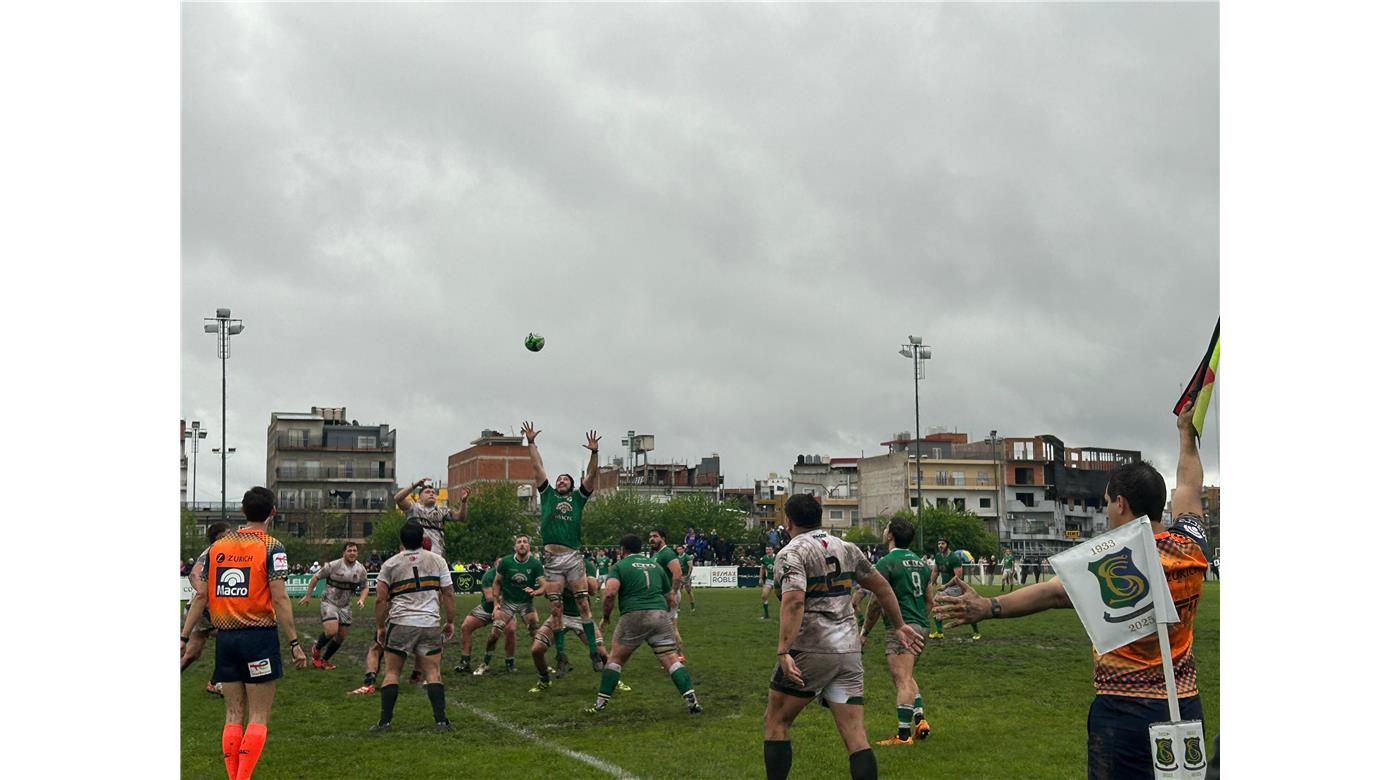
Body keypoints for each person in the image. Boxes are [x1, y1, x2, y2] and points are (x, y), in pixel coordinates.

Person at [935, 401, 1211, 780]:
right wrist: (1185, 435)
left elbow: (1052, 594)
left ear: (1121, 503)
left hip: (1123, 711)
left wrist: (988, 607)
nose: (1106, 512)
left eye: (1107, 503)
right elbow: (1191, 487)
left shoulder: (1110, 560)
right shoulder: (1190, 548)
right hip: (1185, 705)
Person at [762, 494, 924, 780]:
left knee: (776, 721)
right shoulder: (846, 547)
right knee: (856, 738)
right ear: (820, 518)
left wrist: (783, 650)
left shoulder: (791, 552)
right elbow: (881, 586)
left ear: (788, 521)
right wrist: (899, 625)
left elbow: (795, 601)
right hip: (848, 651)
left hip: (811, 648)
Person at [180, 487, 306, 780]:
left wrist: (184, 636)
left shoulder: (217, 548)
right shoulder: (272, 547)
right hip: (259, 637)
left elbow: (201, 596)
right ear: (273, 511)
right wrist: (295, 643)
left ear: (242, 509)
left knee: (233, 715)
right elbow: (280, 598)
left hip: (225, 639)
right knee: (258, 716)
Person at [587, 533, 702, 715]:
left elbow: (609, 593)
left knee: (615, 659)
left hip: (634, 615)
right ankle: (692, 700)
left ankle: (600, 704)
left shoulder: (620, 566)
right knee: (671, 659)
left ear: (622, 550)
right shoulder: (655, 565)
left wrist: (606, 616)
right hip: (659, 615)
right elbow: (670, 597)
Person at [522, 420, 604, 673]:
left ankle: (593, 652)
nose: (560, 481)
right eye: (558, 479)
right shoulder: (547, 494)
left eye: (564, 480)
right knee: (556, 607)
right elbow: (538, 466)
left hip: (571, 556)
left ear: (571, 484)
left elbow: (592, 476)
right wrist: (532, 442)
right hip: (551, 557)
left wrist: (594, 453)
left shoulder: (578, 499)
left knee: (582, 603)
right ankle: (560, 657)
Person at [370, 521, 455, 733]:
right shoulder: (437, 561)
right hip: (429, 623)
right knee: (433, 672)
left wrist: (380, 626)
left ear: (402, 541)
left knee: (392, 673)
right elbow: (448, 593)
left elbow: (380, 600)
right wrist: (450, 621)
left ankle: (384, 722)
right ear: (422, 539)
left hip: (400, 623)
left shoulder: (390, 564)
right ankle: (441, 721)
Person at [860, 517, 935, 746]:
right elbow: (929, 600)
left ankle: (903, 736)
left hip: (900, 628)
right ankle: (920, 720)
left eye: (886, 528)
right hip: (921, 625)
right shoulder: (922, 564)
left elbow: (875, 602)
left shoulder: (887, 562)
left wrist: (864, 632)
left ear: (890, 535)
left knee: (901, 679)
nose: (884, 531)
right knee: (907, 676)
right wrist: (920, 621)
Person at [478, 534, 544, 687]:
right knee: (495, 634)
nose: (522, 544)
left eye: (525, 542)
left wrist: (536, 592)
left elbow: (544, 585)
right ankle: (485, 663)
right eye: (519, 542)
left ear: (529, 546)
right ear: (515, 547)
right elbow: (497, 582)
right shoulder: (506, 562)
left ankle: (542, 666)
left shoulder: (535, 564)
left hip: (526, 603)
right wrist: (496, 604)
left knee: (536, 632)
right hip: (507, 603)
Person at [181, 521, 233, 696]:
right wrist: (206, 595)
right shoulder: (212, 551)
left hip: (204, 607)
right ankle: (216, 681)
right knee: (230, 636)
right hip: (203, 608)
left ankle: (215, 681)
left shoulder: (227, 552)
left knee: (193, 653)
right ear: (218, 538)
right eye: (228, 533)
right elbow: (194, 574)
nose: (232, 536)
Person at [299, 541, 368, 670]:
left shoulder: (361, 569)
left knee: (340, 637)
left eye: (354, 550)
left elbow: (364, 587)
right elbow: (315, 577)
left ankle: (325, 660)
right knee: (331, 631)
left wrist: (362, 599)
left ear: (357, 553)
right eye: (349, 550)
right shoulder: (334, 565)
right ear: (344, 553)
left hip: (345, 605)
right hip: (329, 602)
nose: (352, 553)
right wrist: (308, 595)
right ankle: (317, 648)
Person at [453, 556, 516, 675]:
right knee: (466, 626)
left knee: (511, 630)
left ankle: (509, 663)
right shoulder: (488, 576)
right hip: (487, 609)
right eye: (499, 564)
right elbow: (489, 598)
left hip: (506, 610)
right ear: (495, 565)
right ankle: (465, 661)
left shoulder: (513, 575)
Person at [394, 477, 470, 557]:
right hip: (417, 555)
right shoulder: (414, 508)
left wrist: (464, 502)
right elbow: (398, 498)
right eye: (427, 492)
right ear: (420, 497)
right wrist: (415, 485)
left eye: (433, 492)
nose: (431, 494)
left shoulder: (442, 510)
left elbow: (461, 517)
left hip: (437, 554)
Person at [931, 539, 980, 640]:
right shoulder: (938, 556)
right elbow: (935, 570)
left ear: (947, 545)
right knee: (936, 603)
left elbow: (957, 577)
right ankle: (939, 632)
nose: (940, 545)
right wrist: (933, 581)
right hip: (947, 587)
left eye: (943, 544)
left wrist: (945, 586)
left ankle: (976, 632)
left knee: (966, 609)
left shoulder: (954, 558)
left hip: (956, 587)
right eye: (939, 544)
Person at [677, 544, 697, 612]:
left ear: (683, 549)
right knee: (678, 591)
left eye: (680, 549)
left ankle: (692, 606)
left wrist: (688, 575)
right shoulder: (677, 557)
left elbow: (691, 567)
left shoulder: (687, 557)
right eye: (678, 549)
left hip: (686, 576)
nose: (679, 550)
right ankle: (678, 607)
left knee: (689, 591)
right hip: (680, 576)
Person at [759, 545, 777, 620]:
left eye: (769, 549)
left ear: (773, 550)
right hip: (769, 580)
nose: (768, 551)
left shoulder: (778, 557)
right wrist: (760, 578)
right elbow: (762, 568)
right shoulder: (764, 558)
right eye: (767, 549)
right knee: (764, 596)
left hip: (777, 580)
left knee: (782, 598)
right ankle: (766, 615)